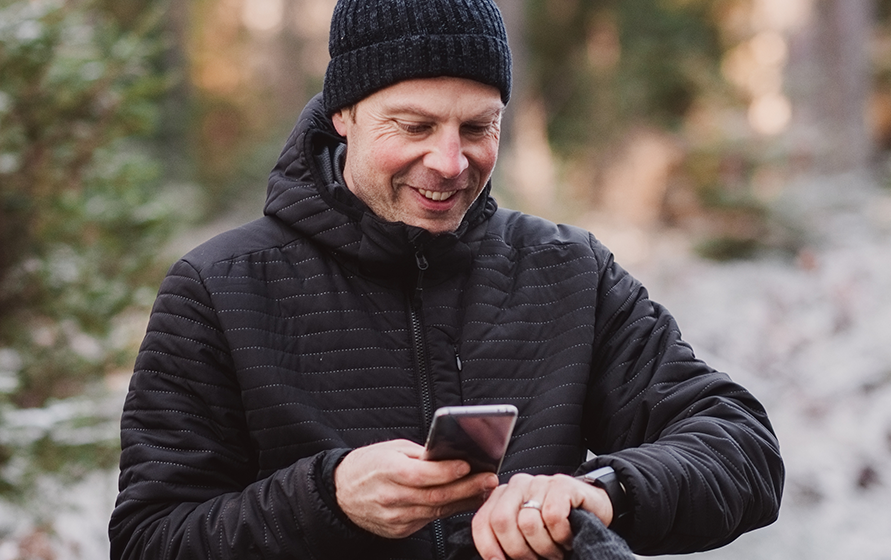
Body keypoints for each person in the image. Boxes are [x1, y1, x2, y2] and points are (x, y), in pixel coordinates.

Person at [108, 0, 784, 558]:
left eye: (478, 127)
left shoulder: (570, 271)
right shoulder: (219, 289)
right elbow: (149, 539)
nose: (451, 161)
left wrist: (603, 490)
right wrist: (327, 498)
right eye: (415, 125)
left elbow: (743, 449)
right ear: (344, 115)